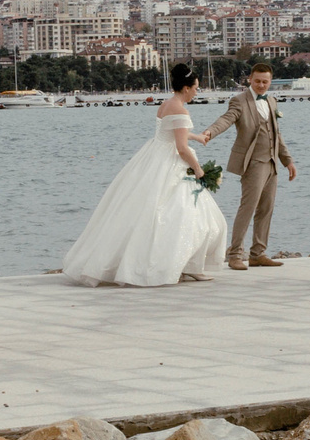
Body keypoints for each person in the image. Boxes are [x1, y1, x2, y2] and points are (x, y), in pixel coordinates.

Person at [59, 64, 229, 286]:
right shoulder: (181, 109)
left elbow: (172, 132)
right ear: (186, 88)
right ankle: (186, 265)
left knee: (156, 211)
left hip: (153, 157)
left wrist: (197, 137)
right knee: (191, 215)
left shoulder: (167, 103)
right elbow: (180, 147)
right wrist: (198, 169)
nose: (197, 92)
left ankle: (188, 265)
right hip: (170, 163)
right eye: (196, 88)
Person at [198, 61, 297, 270]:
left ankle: (258, 253)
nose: (261, 85)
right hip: (253, 162)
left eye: (265, 82)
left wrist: (287, 160)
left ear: (270, 82)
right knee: (248, 207)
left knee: (266, 208)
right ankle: (235, 254)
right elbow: (226, 119)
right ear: (250, 80)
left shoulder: (271, 101)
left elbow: (276, 133)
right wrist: (210, 132)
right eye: (258, 81)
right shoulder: (239, 101)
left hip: (271, 163)